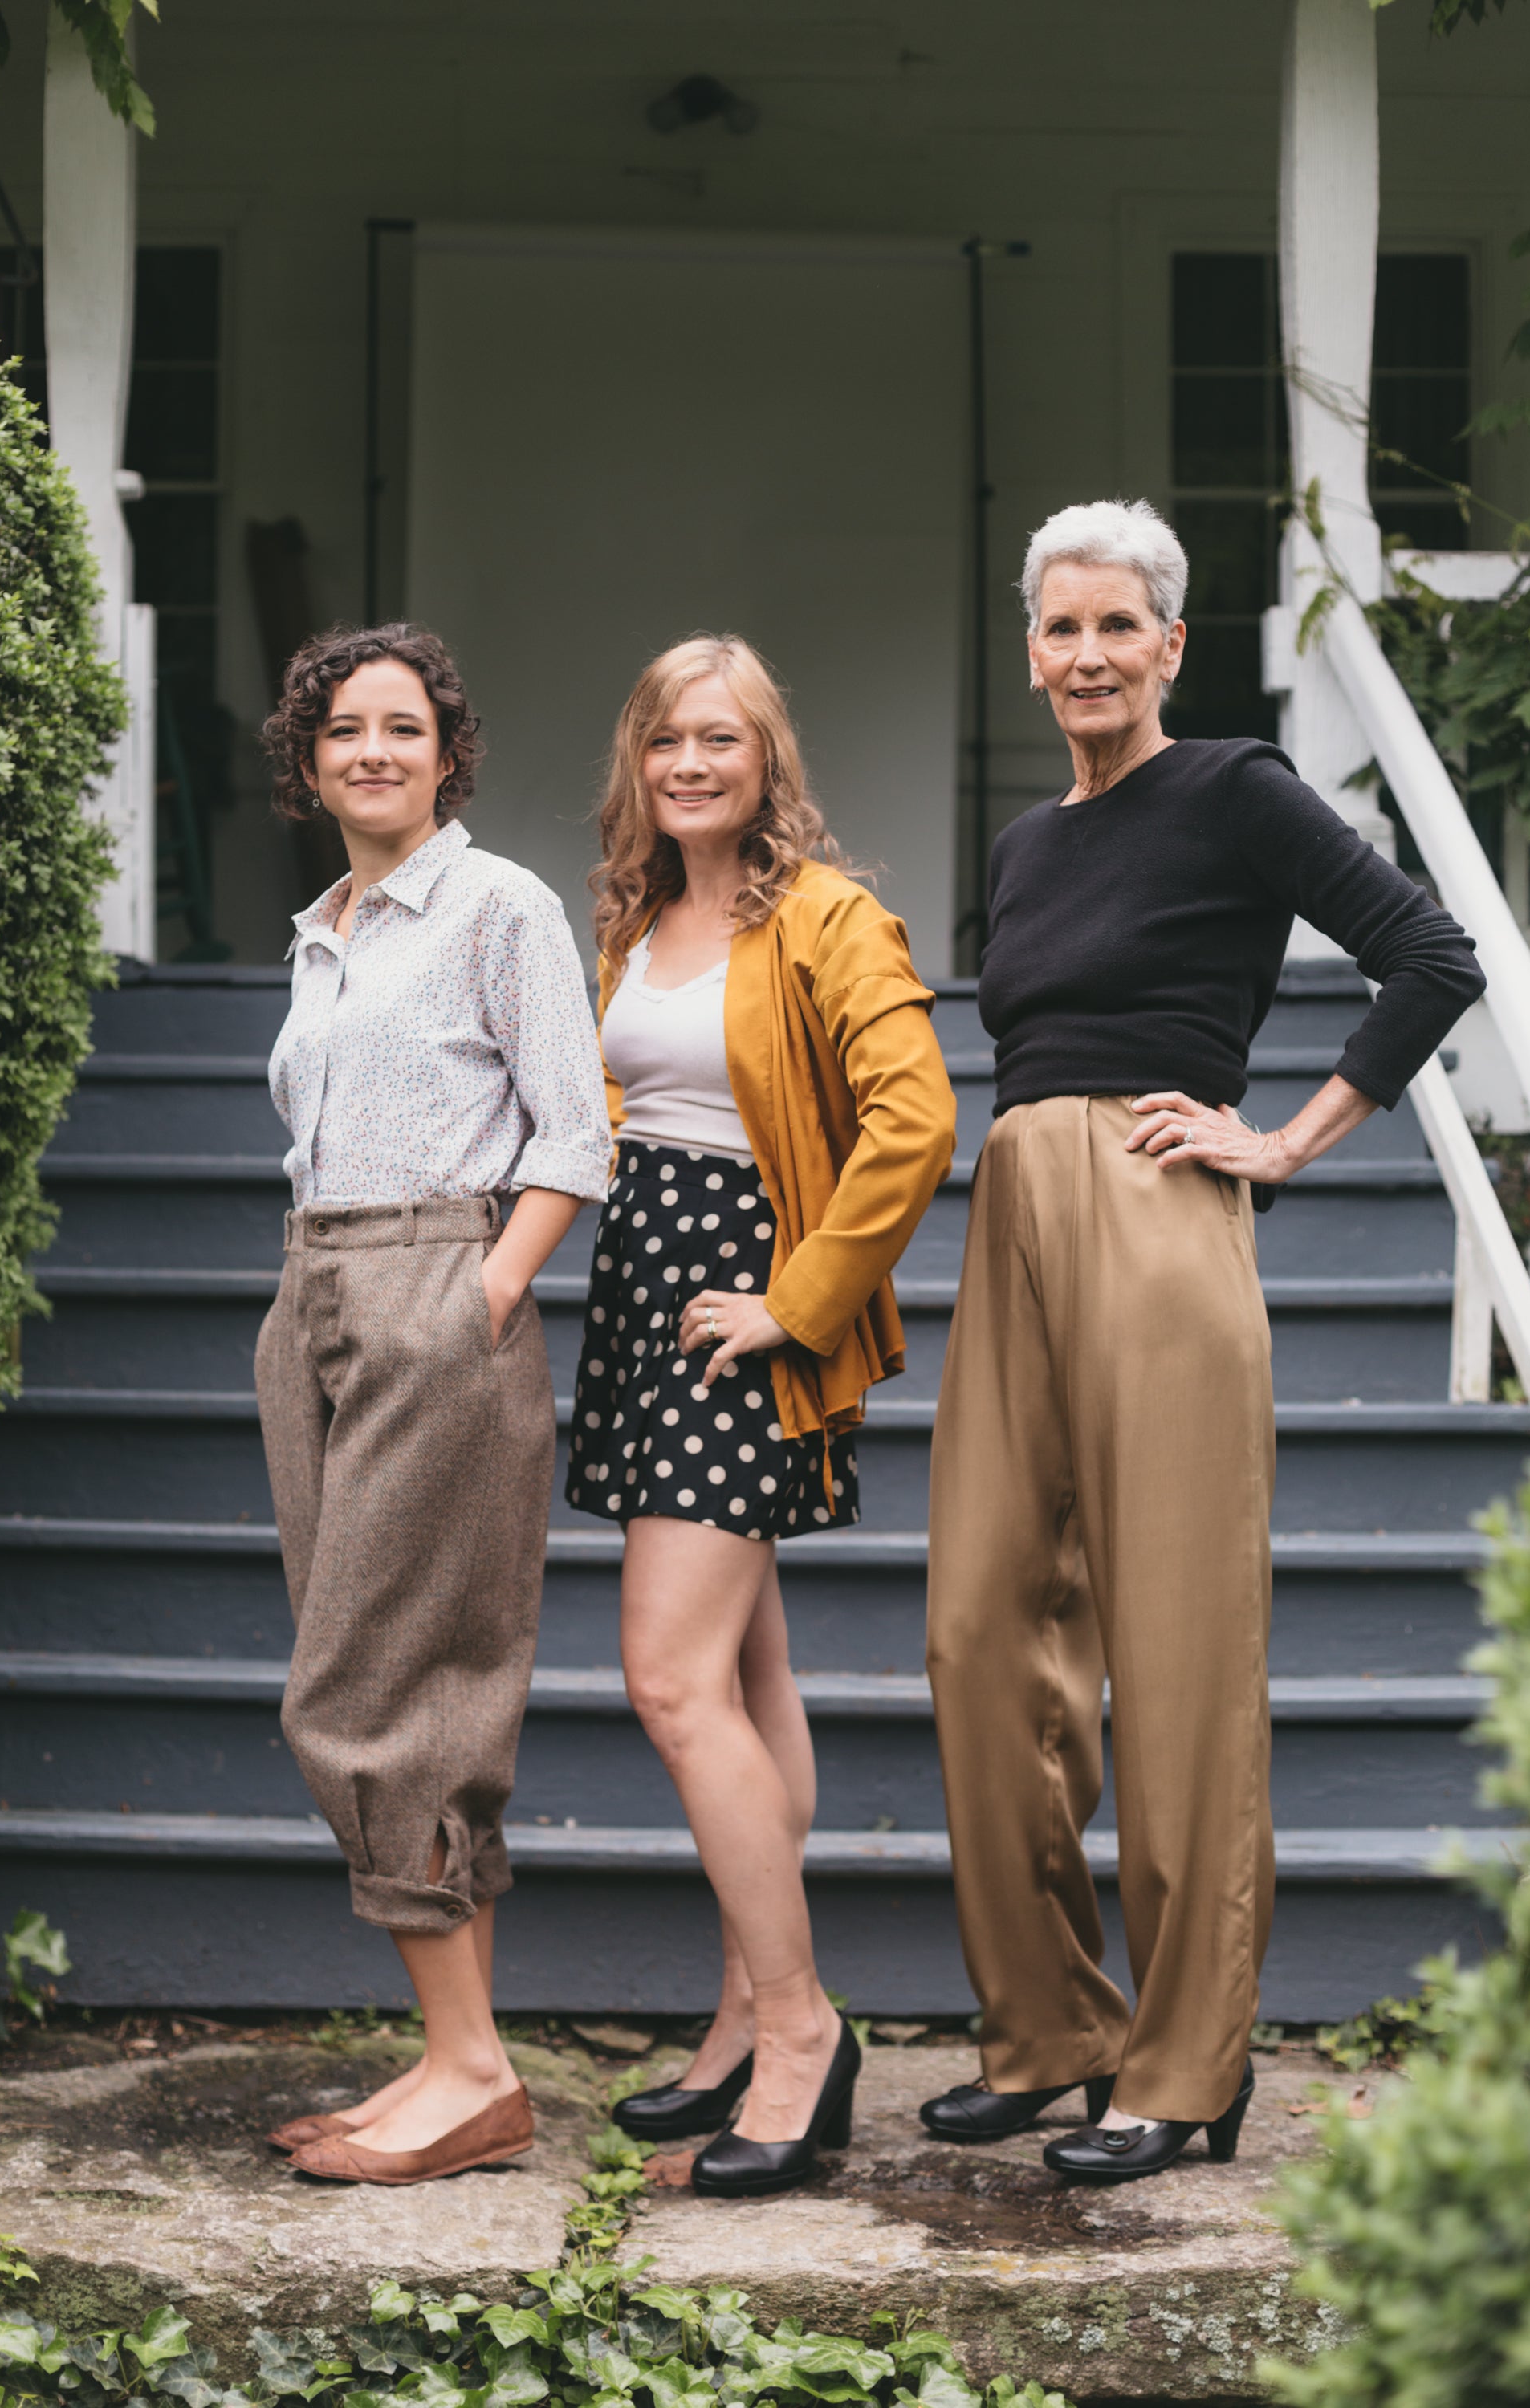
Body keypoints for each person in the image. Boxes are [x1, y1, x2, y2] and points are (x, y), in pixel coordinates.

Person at [922, 500, 1485, 2184]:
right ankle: (1050, 2031)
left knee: (1174, 1649)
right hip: (1015, 1200)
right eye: (1058, 630)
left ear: (1171, 643)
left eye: (1117, 627)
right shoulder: (1025, 847)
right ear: (1030, 650)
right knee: (974, 1630)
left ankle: (1182, 2068)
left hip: (1161, 1213)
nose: (1084, 655)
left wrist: (1284, 1138)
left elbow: (1428, 955)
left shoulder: (1231, 788)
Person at [568, 633, 957, 2198]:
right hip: (642, 1292)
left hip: (745, 1309)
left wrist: (797, 1301)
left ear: (766, 758)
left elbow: (913, 1114)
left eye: (720, 739)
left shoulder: (827, 918)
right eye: (666, 739)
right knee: (741, 1665)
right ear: (637, 760)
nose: (690, 765)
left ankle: (801, 2030)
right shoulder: (633, 913)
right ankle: (740, 2014)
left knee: (669, 1679)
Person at [252, 623, 611, 2186]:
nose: (374, 750)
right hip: (316, 1289)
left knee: (380, 1684)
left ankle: (471, 2072)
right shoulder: (322, 928)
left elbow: (574, 1131)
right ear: (310, 758)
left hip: (435, 1291)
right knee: (355, 1671)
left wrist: (480, 1292)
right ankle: (451, 2059)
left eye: (404, 726)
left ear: (447, 752)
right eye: (345, 728)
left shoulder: (497, 905)